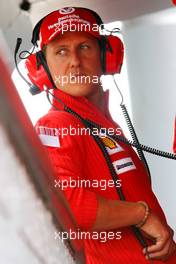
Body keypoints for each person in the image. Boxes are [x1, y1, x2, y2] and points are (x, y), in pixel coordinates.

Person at [33, 7, 176, 263]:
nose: (75, 61)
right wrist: (142, 215)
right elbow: (66, 203)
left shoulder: (103, 125)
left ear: (107, 57)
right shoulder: (55, 124)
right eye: (61, 51)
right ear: (41, 68)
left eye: (85, 47)